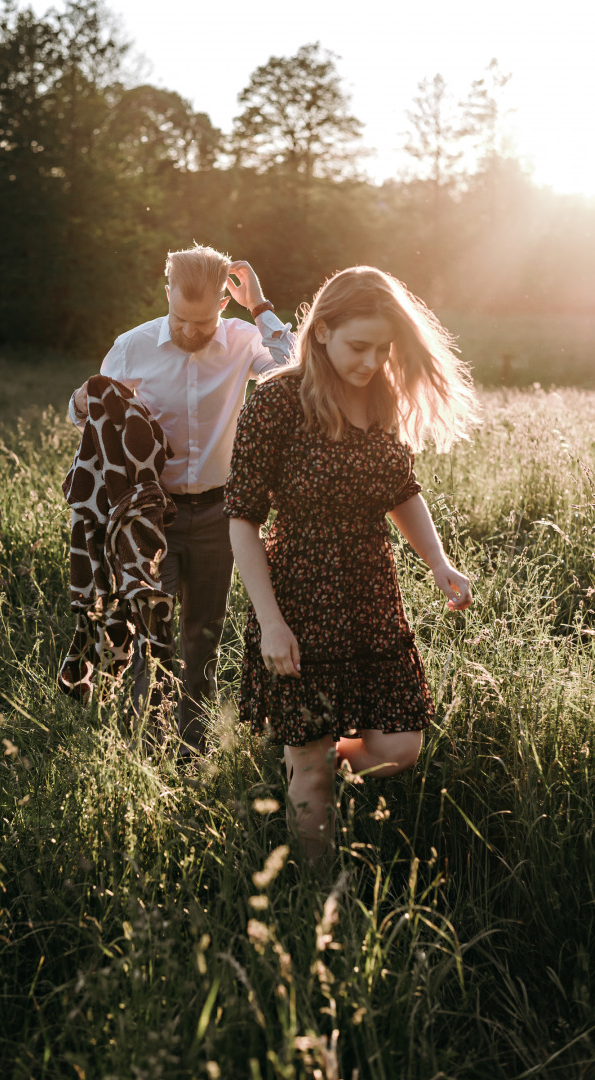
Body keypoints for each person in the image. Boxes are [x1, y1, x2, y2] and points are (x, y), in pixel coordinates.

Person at [224, 265, 481, 860]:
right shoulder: (278, 402)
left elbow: (402, 490)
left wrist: (438, 563)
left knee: (399, 748)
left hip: (371, 597)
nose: (371, 361)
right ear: (320, 333)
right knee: (312, 770)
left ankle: (299, 769)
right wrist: (271, 621)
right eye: (358, 346)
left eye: (383, 348)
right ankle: (317, 906)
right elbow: (242, 519)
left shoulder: (380, 397)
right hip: (298, 599)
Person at [69, 245, 291, 755]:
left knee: (203, 637)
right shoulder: (132, 346)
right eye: (181, 319)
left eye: (203, 321)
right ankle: (148, 752)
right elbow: (85, 412)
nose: (191, 332)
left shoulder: (242, 340)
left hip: (221, 514)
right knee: (155, 636)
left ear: (223, 302)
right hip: (149, 516)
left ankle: (191, 753)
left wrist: (259, 305)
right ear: (165, 291)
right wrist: (82, 399)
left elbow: (294, 366)